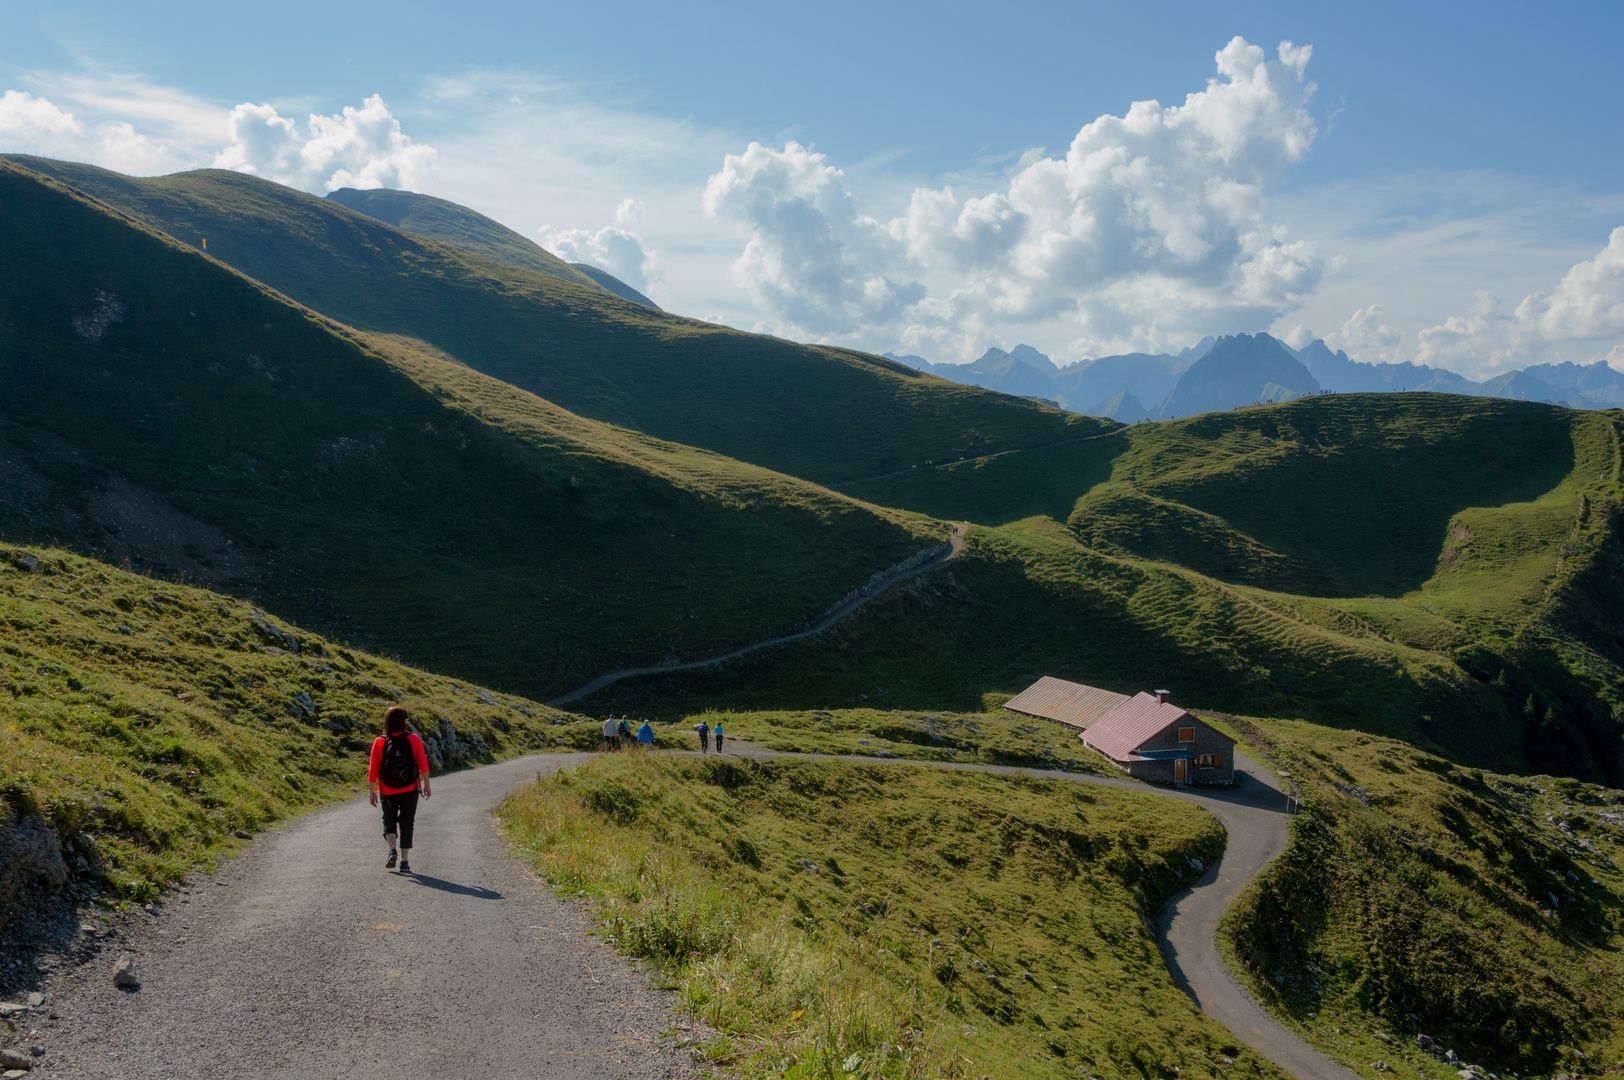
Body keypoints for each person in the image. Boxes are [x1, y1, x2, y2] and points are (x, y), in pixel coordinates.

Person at [368, 705, 431, 874]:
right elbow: (423, 763)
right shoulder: (413, 739)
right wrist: (426, 785)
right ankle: (404, 861)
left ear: (386, 721)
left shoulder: (380, 741)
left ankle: (392, 850)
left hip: (388, 790)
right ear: (404, 721)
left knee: (389, 820)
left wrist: (371, 791)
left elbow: (374, 768)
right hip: (410, 789)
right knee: (407, 822)